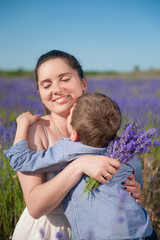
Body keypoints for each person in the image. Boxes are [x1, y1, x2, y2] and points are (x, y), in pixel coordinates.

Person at [4, 50, 141, 240]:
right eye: (46, 84)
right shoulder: (35, 131)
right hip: (51, 231)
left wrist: (131, 190)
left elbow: (129, 168)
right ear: (40, 93)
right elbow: (35, 207)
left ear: (83, 83)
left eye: (64, 79)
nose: (57, 89)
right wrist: (79, 165)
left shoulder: (101, 122)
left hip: (101, 229)